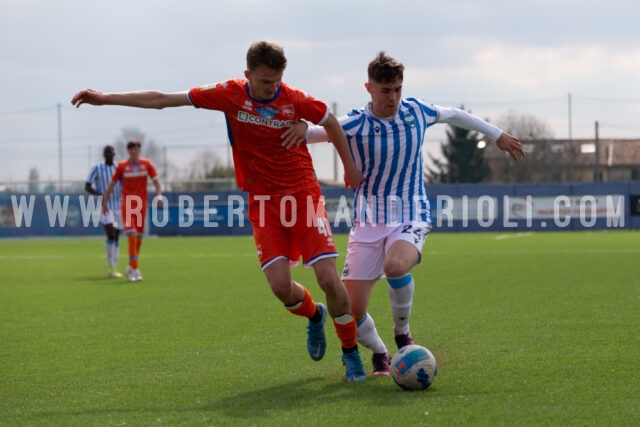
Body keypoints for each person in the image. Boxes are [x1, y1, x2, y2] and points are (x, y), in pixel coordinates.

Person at [71, 41, 368, 382]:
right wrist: (105, 98)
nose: (272, 87)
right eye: (264, 81)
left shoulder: (295, 98)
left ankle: (350, 354)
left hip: (302, 196)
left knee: (329, 278)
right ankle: (314, 315)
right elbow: (162, 100)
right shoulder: (228, 93)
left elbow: (331, 123)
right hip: (262, 202)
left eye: (277, 80)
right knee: (281, 288)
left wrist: (349, 168)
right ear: (247, 75)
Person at [298, 51, 525, 376]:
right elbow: (311, 133)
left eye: (397, 90)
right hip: (367, 224)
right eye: (385, 91)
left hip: (411, 213)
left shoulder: (416, 111)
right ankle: (379, 352)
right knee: (349, 310)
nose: (392, 98)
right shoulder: (354, 124)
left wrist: (497, 135)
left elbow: (456, 115)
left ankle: (402, 333)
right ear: (369, 88)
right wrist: (281, 124)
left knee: (395, 265)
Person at [102, 139, 162, 282]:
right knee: (132, 235)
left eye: (136, 148)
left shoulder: (146, 164)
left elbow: (156, 182)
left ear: (140, 150)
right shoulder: (122, 166)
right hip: (127, 205)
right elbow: (111, 184)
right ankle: (135, 270)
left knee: (139, 238)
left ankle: (130, 267)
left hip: (141, 205)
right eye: (131, 149)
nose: (134, 151)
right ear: (128, 151)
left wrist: (159, 195)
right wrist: (105, 202)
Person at [85, 145, 123, 277]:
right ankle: (110, 266)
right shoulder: (97, 168)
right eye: (106, 152)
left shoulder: (119, 168)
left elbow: (124, 184)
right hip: (105, 205)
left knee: (117, 236)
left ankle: (114, 267)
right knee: (111, 234)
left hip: (119, 205)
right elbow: (87, 186)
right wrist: (100, 195)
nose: (108, 154)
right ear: (103, 155)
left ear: (114, 154)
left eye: (110, 152)